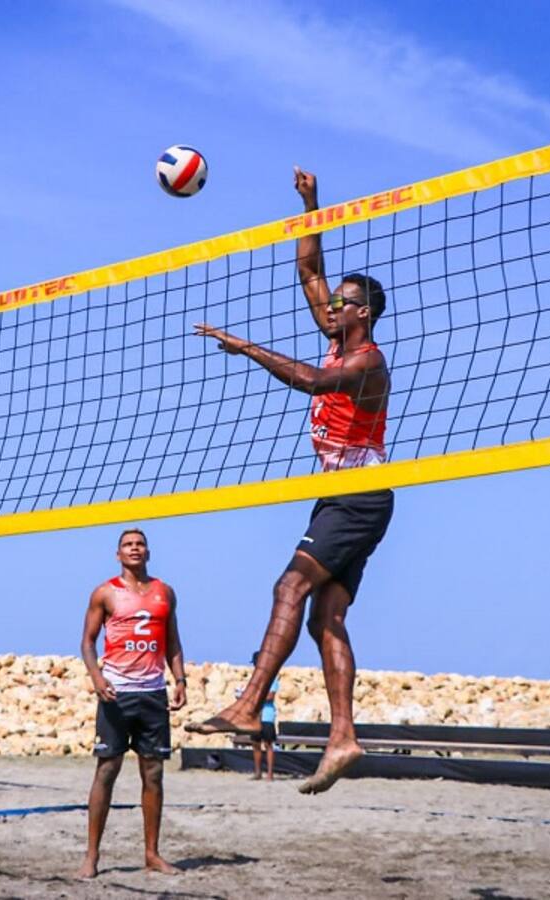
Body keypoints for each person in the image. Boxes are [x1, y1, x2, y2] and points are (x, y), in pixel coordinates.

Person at [188, 167, 392, 795]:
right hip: (343, 495)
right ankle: (344, 738)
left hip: (358, 496)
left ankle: (251, 703)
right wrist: (310, 204)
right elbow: (309, 273)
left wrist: (248, 349)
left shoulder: (366, 361)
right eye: (332, 302)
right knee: (325, 618)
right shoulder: (338, 339)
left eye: (341, 302)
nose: (330, 305)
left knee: (289, 586)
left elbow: (308, 382)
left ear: (363, 312)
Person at [78, 528, 188, 879]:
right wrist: (97, 678)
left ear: (148, 552)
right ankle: (91, 857)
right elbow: (87, 642)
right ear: (118, 554)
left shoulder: (164, 592)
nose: (134, 549)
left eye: (140, 544)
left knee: (153, 773)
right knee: (107, 770)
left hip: (153, 693)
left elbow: (173, 642)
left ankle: (152, 854)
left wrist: (180, 679)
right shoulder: (105, 592)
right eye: (128, 545)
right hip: (117, 692)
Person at [249, 652, 280, 781]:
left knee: (268, 744)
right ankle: (257, 773)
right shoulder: (253, 678)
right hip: (256, 716)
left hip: (267, 716)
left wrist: (256, 697)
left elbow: (270, 696)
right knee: (255, 744)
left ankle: (270, 773)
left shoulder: (272, 678)